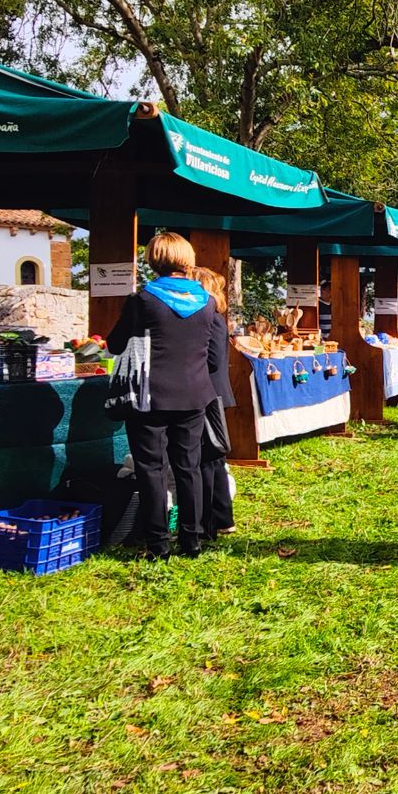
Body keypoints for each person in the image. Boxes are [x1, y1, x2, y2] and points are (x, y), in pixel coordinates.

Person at [106, 232, 222, 558]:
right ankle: (192, 539)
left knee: (152, 469)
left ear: (154, 259)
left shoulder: (143, 300)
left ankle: (157, 544)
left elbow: (115, 344)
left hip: (150, 397)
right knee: (189, 468)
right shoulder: (208, 302)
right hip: (196, 395)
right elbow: (212, 356)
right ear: (186, 259)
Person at [191, 266, 236, 539]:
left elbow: (213, 360)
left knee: (209, 459)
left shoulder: (214, 320)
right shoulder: (215, 318)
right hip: (212, 393)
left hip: (210, 394)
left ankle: (212, 520)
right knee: (214, 460)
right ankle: (221, 517)